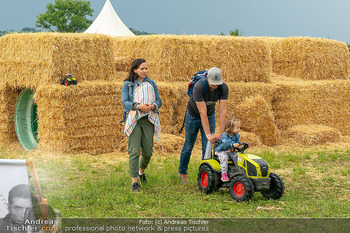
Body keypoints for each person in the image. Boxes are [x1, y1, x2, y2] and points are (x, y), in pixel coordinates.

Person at [178, 67, 229, 184]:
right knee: (188, 145)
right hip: (193, 116)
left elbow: (222, 111)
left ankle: (205, 176)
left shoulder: (223, 87)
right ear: (207, 78)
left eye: (217, 84)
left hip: (210, 115)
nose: (215, 86)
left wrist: (222, 134)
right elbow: (202, 113)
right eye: (212, 83)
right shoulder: (199, 87)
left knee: (207, 146)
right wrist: (208, 134)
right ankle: (182, 173)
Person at [122, 58, 162, 192]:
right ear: (135, 70)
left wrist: (152, 106)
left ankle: (141, 172)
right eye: (142, 69)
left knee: (147, 152)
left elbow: (159, 101)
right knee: (133, 152)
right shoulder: (128, 84)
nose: (144, 71)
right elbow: (125, 103)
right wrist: (138, 106)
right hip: (134, 119)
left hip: (148, 120)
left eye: (146, 68)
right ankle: (134, 183)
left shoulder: (152, 83)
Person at [214, 117, 241, 182]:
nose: (239, 129)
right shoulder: (224, 135)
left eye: (239, 127)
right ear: (231, 128)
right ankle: (224, 174)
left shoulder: (237, 135)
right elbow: (225, 141)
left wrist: (236, 148)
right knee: (224, 157)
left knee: (238, 156)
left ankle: (239, 171)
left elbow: (237, 142)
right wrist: (233, 144)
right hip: (221, 151)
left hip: (230, 151)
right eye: (237, 128)